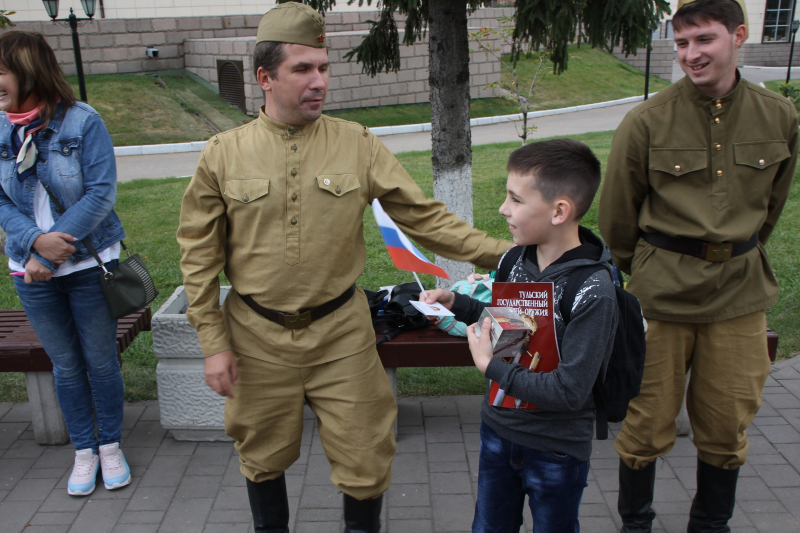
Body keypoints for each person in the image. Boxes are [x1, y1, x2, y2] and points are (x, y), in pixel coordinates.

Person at [175, 3, 511, 532]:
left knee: (366, 453)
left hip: (342, 334)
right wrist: (214, 344)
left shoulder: (356, 143)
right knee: (261, 454)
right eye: (303, 69)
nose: (319, 81)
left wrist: (504, 254)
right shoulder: (223, 154)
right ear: (265, 77)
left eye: (324, 67)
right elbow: (199, 258)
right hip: (256, 335)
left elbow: (423, 219)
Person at [598, 0, 799, 530]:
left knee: (728, 419)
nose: (691, 54)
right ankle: (636, 522)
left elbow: (771, 205)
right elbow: (618, 216)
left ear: (739, 35)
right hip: (662, 295)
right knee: (646, 419)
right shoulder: (647, 120)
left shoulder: (779, 115)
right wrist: (644, 269)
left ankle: (710, 524)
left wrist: (734, 250)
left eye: (704, 40)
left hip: (738, 295)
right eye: (681, 43)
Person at [422, 139, 619, 533]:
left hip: (555, 448)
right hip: (498, 430)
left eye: (515, 199)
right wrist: (457, 304)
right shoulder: (515, 260)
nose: (503, 209)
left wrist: (490, 367)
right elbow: (512, 325)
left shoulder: (593, 290)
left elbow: (569, 392)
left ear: (559, 210)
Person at [0, 31, 131, 496]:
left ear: (29, 70)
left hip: (88, 266)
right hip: (31, 271)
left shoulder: (82, 121)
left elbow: (101, 193)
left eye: (1, 70)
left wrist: (59, 249)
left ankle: (110, 445)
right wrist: (35, 247)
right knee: (66, 366)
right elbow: (1, 200)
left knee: (99, 362)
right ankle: (83, 450)